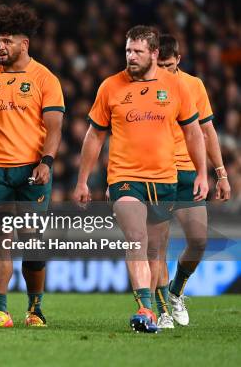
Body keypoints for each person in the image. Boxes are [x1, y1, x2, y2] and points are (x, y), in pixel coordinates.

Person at [73, 26, 208, 333]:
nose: (131, 57)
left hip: (164, 179)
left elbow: (193, 132)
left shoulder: (175, 86)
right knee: (137, 237)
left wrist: (202, 172)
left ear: (154, 54)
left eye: (138, 52)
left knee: (156, 249)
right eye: (128, 51)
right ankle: (145, 309)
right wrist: (83, 180)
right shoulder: (110, 86)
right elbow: (94, 136)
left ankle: (162, 305)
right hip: (124, 178)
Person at [0, 4, 65, 328]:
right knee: (1, 238)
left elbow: (54, 128)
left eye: (6, 41)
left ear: (24, 44)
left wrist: (46, 162)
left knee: (32, 243)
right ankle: (0, 310)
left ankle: (35, 309)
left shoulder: (45, 79)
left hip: (31, 173)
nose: (0, 47)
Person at [151, 34, 231, 328]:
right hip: (156, 172)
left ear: (179, 61)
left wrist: (219, 173)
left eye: (170, 66)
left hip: (188, 173)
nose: (166, 71)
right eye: (161, 66)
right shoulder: (145, 87)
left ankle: (175, 292)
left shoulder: (193, 85)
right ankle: (160, 309)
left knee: (198, 241)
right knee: (157, 246)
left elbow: (208, 131)